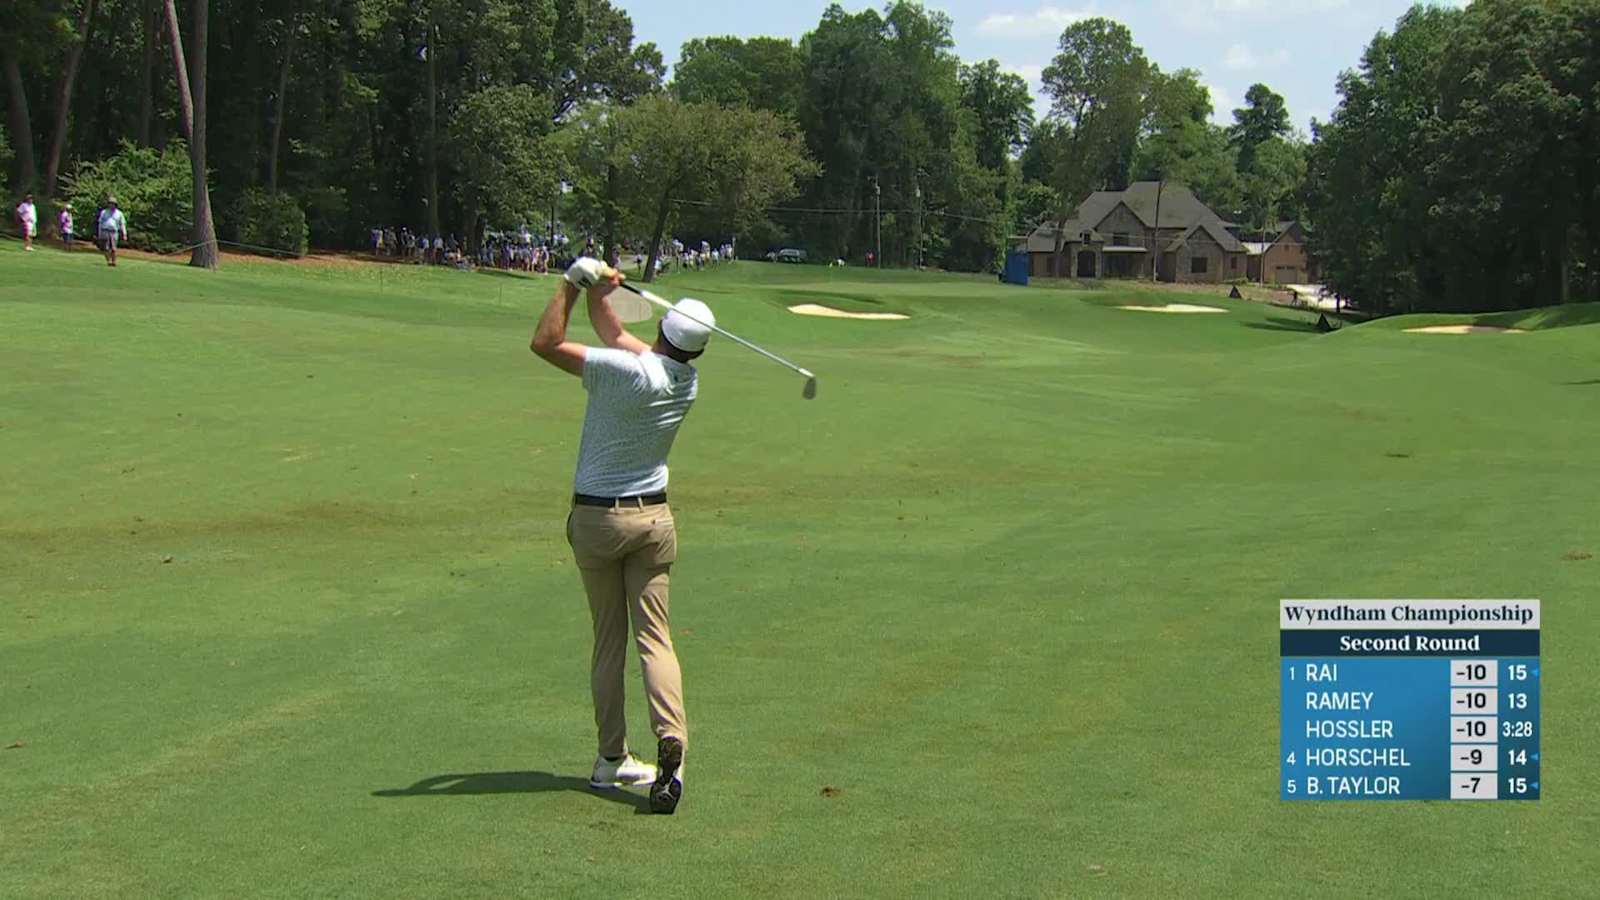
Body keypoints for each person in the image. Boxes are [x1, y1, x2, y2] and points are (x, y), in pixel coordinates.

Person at [529, 256, 714, 815]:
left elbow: (545, 343)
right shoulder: (685, 378)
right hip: (654, 522)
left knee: (610, 642)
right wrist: (600, 289)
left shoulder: (626, 372)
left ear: (663, 331)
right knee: (655, 638)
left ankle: (612, 757)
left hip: (596, 521)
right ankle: (670, 746)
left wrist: (569, 280)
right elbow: (612, 329)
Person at [97, 196, 129, 267]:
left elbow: (122, 224)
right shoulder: (104, 212)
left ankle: (114, 261)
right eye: (110, 203)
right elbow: (100, 223)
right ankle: (108, 261)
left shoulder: (119, 213)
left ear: (115, 205)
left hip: (114, 232)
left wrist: (124, 234)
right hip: (105, 231)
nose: (111, 205)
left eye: (113, 204)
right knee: (106, 248)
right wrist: (99, 233)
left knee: (114, 249)